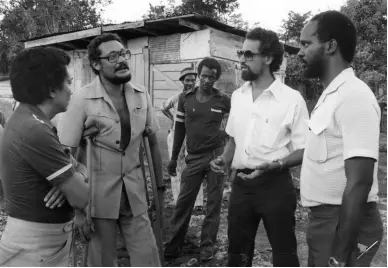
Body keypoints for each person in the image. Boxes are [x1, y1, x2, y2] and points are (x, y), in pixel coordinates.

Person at [58, 33, 164, 267]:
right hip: (97, 198)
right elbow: (69, 155)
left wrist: (160, 188)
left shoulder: (141, 94)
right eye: (113, 56)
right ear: (96, 64)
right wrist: (77, 211)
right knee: (103, 261)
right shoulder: (82, 99)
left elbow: (152, 142)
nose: (122, 60)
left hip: (135, 193)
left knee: (148, 258)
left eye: (124, 54)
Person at [210, 27, 309, 267]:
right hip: (241, 187)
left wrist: (276, 165)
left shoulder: (291, 99)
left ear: (268, 58)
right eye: (240, 52)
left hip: (275, 186)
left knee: (284, 255)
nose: (241, 59)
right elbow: (234, 139)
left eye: (248, 54)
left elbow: (305, 149)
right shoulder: (238, 96)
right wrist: (224, 158)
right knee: (237, 254)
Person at [298, 10, 383, 267]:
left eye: (305, 44)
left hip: (341, 222)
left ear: (331, 46)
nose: (299, 52)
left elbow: (360, 181)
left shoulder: (354, 97)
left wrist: (340, 253)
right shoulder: (331, 95)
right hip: (326, 220)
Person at [0, 47, 90, 266]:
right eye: (68, 83)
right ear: (51, 89)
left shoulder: (30, 120)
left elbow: (77, 170)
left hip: (40, 243)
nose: (71, 90)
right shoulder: (35, 130)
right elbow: (82, 197)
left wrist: (75, 175)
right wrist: (75, 180)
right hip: (35, 248)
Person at [164, 57, 231, 261]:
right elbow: (180, 130)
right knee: (184, 202)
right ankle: (174, 244)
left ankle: (207, 245)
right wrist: (174, 158)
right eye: (204, 76)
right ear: (199, 75)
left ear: (216, 78)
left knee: (213, 203)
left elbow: (235, 126)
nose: (207, 80)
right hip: (192, 158)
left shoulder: (223, 100)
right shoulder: (185, 99)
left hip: (215, 157)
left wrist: (225, 140)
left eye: (212, 77)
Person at [160, 67, 204, 208]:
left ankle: (197, 203)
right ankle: (178, 199)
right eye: (187, 80)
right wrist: (173, 119)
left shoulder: (200, 97)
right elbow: (163, 107)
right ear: (182, 81)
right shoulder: (177, 97)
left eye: (192, 80)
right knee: (177, 167)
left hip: (193, 136)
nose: (190, 83)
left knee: (194, 166)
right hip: (176, 135)